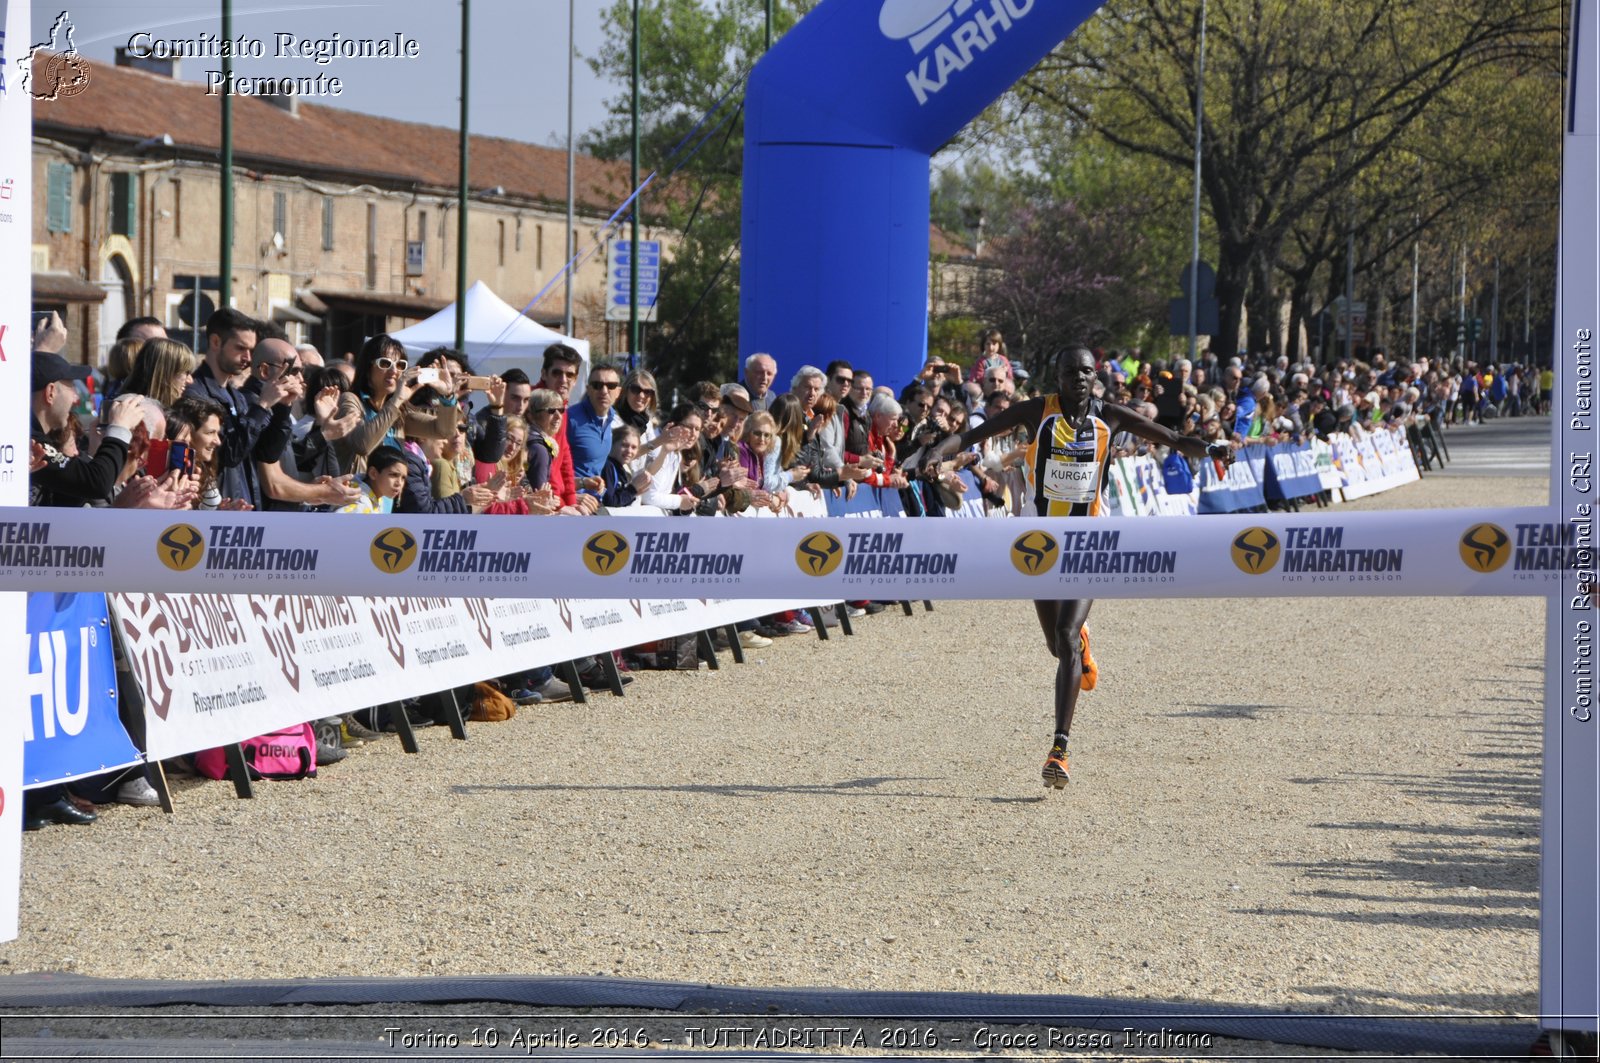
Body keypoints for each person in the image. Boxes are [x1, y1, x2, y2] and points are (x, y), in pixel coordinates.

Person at [919, 347, 1233, 790]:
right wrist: (937, 451)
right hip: (1040, 544)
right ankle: (1081, 648)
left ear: (1095, 375)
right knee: (1057, 645)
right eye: (1071, 372)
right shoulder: (1036, 412)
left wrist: (1213, 447)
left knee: (1064, 637)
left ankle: (1059, 749)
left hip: (1090, 543)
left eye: (1087, 371)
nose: (1080, 378)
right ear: (1058, 375)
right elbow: (973, 436)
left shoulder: (1112, 417)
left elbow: (1172, 437)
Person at [185, 308, 297, 511]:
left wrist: (283, 407)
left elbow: (267, 454)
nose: (247, 358)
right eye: (240, 348)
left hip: (245, 507)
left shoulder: (236, 396)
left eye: (251, 351)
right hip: (217, 511)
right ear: (216, 342)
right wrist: (262, 406)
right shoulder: (196, 394)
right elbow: (227, 454)